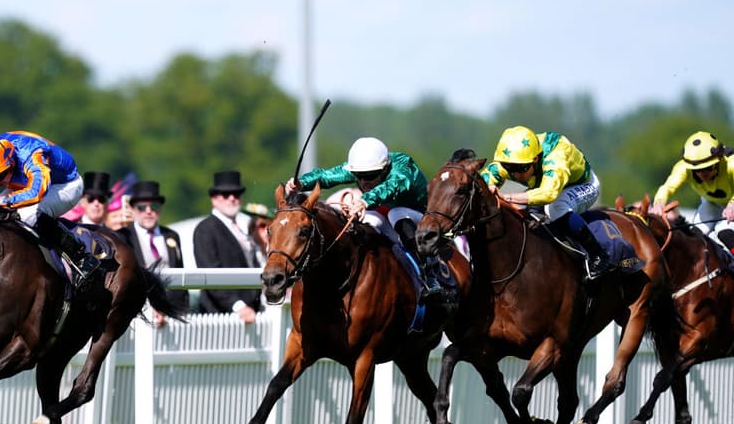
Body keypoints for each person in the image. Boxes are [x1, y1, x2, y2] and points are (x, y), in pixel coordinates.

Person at [285, 136, 443, 300]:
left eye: (369, 176)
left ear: (384, 169)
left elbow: (390, 187)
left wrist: (364, 201)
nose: (363, 181)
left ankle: (430, 272)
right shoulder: (365, 167)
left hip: (421, 218)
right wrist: (302, 183)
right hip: (386, 213)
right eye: (358, 175)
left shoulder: (403, 167)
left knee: (396, 214)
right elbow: (326, 176)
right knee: (369, 221)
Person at [0, 130, 99, 288]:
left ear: (11, 162)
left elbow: (36, 193)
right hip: (26, 181)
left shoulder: (33, 155)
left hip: (65, 184)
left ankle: (81, 257)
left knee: (29, 215)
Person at [482, 125, 613, 279]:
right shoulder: (511, 160)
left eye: (521, 168)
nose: (515, 174)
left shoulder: (556, 155)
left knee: (555, 207)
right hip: (545, 187)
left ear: (536, 159)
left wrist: (507, 197)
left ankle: (598, 254)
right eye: (509, 168)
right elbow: (481, 184)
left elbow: (548, 194)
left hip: (582, 185)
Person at [194, 171, 262, 322]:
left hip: (251, 311)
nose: (232, 198)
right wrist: (238, 306)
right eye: (225, 195)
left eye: (236, 194)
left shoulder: (241, 228)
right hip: (220, 315)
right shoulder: (205, 229)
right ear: (214, 199)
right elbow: (210, 274)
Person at [118, 181, 189, 324]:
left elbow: (180, 271)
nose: (148, 211)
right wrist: (151, 307)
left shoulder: (171, 235)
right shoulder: (123, 237)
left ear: (160, 208)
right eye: (142, 207)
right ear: (132, 209)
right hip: (139, 314)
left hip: (175, 312)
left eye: (154, 206)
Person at [650, 131, 734, 251]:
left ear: (719, 160)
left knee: (724, 232)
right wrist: (659, 203)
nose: (702, 174)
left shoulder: (731, 163)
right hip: (712, 203)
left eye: (707, 168)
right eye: (697, 170)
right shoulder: (683, 168)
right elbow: (668, 187)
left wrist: (732, 204)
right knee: (696, 235)